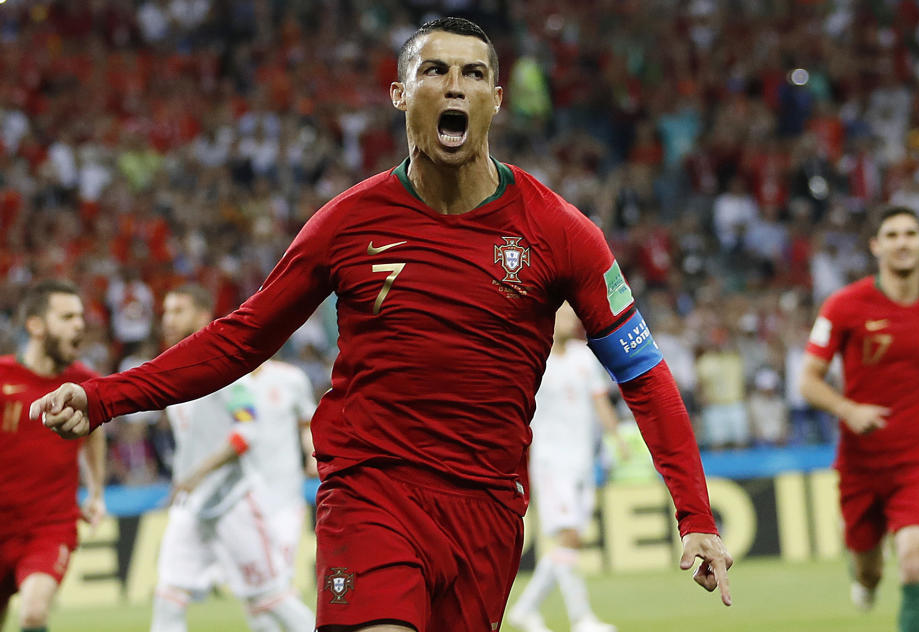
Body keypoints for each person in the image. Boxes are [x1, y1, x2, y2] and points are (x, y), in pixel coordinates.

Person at [31, 18, 732, 631]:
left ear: (495, 100)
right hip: (370, 492)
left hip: (486, 511)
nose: (454, 86)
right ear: (401, 94)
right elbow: (241, 339)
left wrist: (696, 515)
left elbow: (643, 374)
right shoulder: (348, 223)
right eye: (434, 71)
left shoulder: (562, 233)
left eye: (473, 74)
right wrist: (103, 398)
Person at [800, 206, 919, 632]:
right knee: (870, 569)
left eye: (911, 233)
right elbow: (808, 381)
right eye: (892, 235)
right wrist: (848, 410)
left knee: (913, 561)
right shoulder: (844, 306)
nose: (902, 242)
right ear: (876, 246)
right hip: (861, 462)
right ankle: (863, 570)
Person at [150, 284, 314, 632]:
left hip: (233, 501)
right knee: (167, 600)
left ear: (201, 315)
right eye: (166, 311)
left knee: (270, 600)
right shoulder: (171, 370)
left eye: (177, 311)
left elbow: (246, 432)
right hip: (192, 505)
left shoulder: (227, 367)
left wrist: (196, 473)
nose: (168, 319)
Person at [507, 303, 627, 632]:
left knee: (571, 542)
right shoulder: (534, 357)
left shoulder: (583, 357)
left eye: (571, 313)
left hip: (583, 463)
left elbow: (599, 400)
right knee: (569, 535)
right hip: (549, 461)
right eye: (561, 312)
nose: (569, 319)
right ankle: (582, 619)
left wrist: (618, 438)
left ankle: (526, 609)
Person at [0, 279, 105, 632]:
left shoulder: (83, 383)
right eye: (67, 316)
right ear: (36, 325)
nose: (79, 324)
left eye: (80, 317)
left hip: (49, 525)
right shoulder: (2, 378)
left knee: (33, 613)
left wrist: (96, 492)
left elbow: (94, 434)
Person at [238, 358, 318, 579]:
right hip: (245, 493)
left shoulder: (291, 378)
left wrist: (313, 456)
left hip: (286, 489)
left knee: (281, 568)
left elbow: (306, 423)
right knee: (261, 577)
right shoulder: (232, 383)